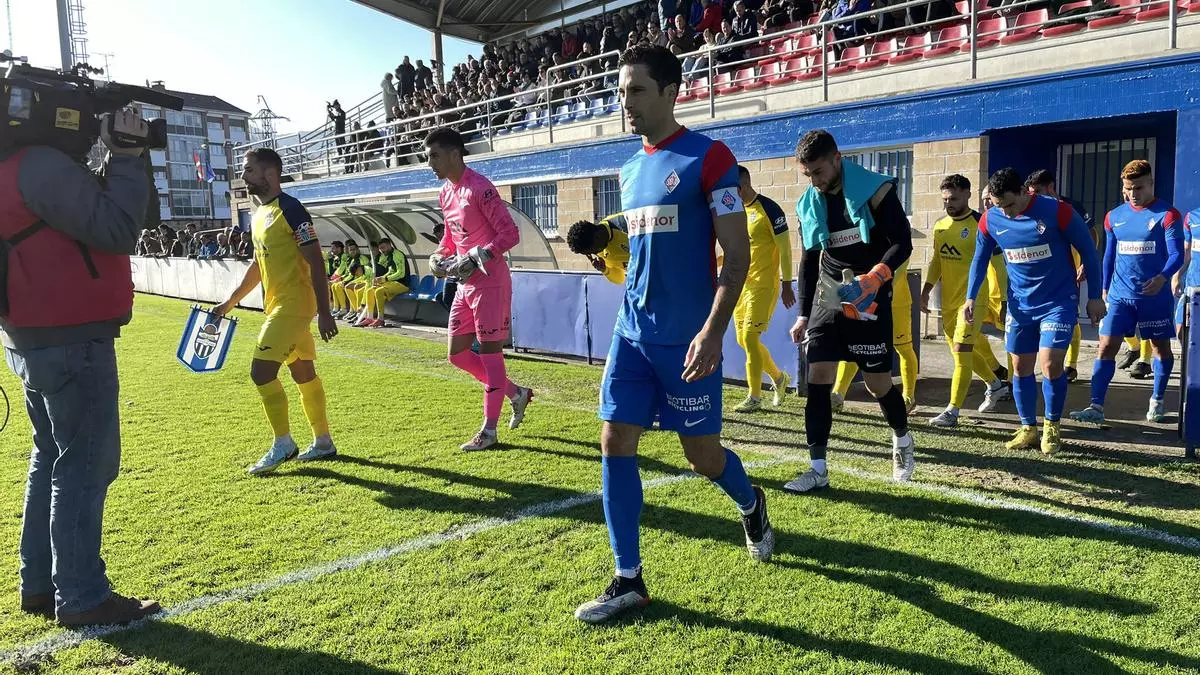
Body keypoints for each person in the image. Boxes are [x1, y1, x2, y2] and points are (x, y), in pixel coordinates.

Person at [573, 45, 773, 626]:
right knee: (614, 440)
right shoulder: (627, 171)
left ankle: (751, 501)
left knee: (702, 456)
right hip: (631, 333)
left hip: (688, 340)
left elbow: (736, 255)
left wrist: (713, 331)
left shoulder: (711, 159)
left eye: (636, 90)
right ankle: (629, 579)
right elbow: (642, 252)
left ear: (669, 92)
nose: (625, 102)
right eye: (621, 92)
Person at [4, 109, 163, 627]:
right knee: (84, 465)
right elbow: (118, 228)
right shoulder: (40, 164)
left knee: (51, 455)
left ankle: (39, 583)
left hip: (30, 334)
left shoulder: (14, 165)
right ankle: (80, 595)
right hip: (71, 335)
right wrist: (127, 157)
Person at [785, 129, 915, 494]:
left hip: (870, 291)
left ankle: (902, 439)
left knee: (877, 384)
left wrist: (875, 277)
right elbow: (809, 260)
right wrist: (803, 314)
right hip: (830, 294)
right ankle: (817, 469)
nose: (815, 180)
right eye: (808, 174)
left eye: (819, 171)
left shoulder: (876, 190)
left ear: (837, 158)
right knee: (818, 376)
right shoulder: (809, 203)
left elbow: (902, 242)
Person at [212, 148, 340, 474]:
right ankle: (323, 442)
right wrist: (229, 302)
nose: (243, 176)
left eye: (249, 170)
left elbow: (316, 261)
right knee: (303, 373)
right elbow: (258, 265)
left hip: (293, 305)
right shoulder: (259, 214)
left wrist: (325, 312)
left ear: (270, 173)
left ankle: (283, 442)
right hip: (278, 305)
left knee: (261, 372)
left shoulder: (292, 209)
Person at [964, 168, 1105, 455]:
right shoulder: (991, 219)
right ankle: (1028, 427)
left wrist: (1094, 296)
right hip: (1020, 305)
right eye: (998, 205)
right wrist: (970, 297)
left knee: (1051, 364)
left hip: (1058, 301)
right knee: (1019, 367)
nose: (1006, 212)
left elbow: (1089, 252)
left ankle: (1052, 425)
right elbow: (979, 259)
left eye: (1009, 204)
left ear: (1023, 191)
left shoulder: (1058, 212)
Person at [425, 127, 534, 451]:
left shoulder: (480, 188)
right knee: (457, 355)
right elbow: (450, 238)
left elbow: (509, 234)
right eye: (427, 157)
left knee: (489, 354)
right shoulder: (445, 193)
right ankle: (516, 393)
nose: (430, 163)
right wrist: (438, 255)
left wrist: (478, 256)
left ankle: (489, 431)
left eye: (434, 156)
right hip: (465, 284)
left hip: (491, 282)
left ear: (454, 154)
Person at [1070, 160, 1183, 425]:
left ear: (1151, 184)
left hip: (1154, 296)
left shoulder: (1167, 215)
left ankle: (1157, 401)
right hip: (1120, 296)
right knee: (1106, 347)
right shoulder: (1114, 216)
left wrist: (1162, 277)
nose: (1133, 194)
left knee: (1160, 348)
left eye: (1138, 188)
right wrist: (1103, 289)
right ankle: (1095, 406)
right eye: (1128, 189)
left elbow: (1177, 254)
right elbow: (1109, 255)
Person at [919, 174, 1011, 427]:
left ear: (968, 195)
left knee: (961, 351)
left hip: (974, 301)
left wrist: (1004, 300)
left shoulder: (983, 224)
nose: (948, 204)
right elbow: (937, 261)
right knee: (961, 352)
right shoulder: (940, 226)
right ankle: (995, 384)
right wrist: (926, 290)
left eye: (954, 199)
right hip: (948, 301)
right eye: (945, 199)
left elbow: (999, 266)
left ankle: (952, 411)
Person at [1025, 169, 1098, 383]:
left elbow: (1092, 234)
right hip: (1046, 269)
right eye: (1030, 192)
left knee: (1071, 315)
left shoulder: (1071, 207)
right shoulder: (1032, 208)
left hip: (1070, 265)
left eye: (1038, 191)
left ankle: (1071, 365)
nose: (1033, 196)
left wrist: (1084, 263)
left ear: (1051, 187)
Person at [731, 165, 793, 412]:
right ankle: (779, 378)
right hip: (742, 285)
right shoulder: (737, 212)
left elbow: (785, 250)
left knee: (750, 337)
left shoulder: (769, 209)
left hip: (764, 284)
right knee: (743, 340)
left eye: (733, 189)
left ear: (744, 185)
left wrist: (787, 284)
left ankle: (754, 397)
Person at [355, 237, 411, 328]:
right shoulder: (388, 256)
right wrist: (381, 278)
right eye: (380, 248)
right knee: (370, 290)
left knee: (379, 291)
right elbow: (391, 271)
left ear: (389, 245)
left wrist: (385, 278)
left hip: (402, 284)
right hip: (392, 283)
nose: (382, 250)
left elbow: (401, 273)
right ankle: (369, 318)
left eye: (383, 248)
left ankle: (380, 319)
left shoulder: (398, 255)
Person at [566, 213, 631, 285]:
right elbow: (620, 278)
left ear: (597, 237)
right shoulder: (602, 250)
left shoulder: (625, 222)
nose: (596, 253)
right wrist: (605, 270)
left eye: (593, 251)